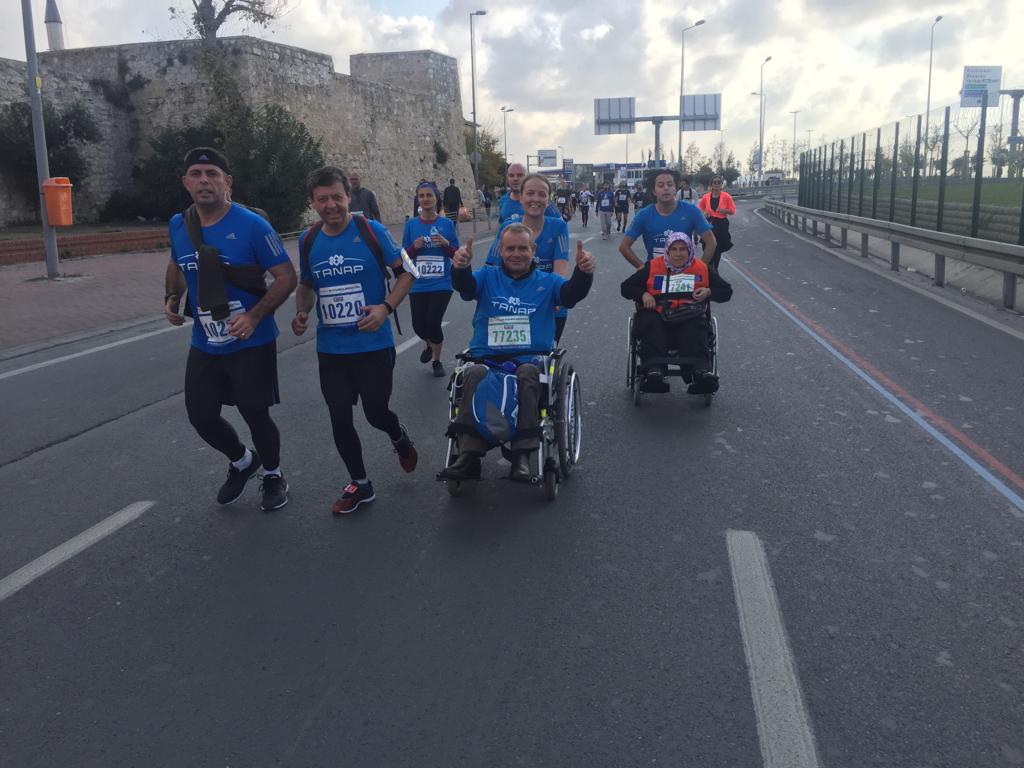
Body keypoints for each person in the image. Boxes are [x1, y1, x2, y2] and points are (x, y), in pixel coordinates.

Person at [163, 147, 297, 511]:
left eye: (212, 173)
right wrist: (171, 296)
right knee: (200, 414)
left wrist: (254, 316)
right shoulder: (180, 224)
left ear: (228, 182)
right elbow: (177, 262)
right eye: (196, 174)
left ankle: (273, 473)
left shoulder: (253, 226)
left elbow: (287, 277)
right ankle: (241, 460)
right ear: (186, 182)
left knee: (255, 412)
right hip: (206, 340)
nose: (204, 180)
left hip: (251, 339)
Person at [292, 166, 419, 514]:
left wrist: (385, 307)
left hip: (373, 345)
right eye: (322, 199)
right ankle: (360, 484)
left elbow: (407, 272)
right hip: (332, 349)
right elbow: (306, 285)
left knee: (376, 413)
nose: (331, 205)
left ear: (349, 197)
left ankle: (398, 435)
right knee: (339, 417)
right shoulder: (309, 240)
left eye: (337, 197)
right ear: (312, 203)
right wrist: (302, 312)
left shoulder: (370, 230)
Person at [439, 224, 595, 482]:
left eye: (523, 248)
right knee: (472, 373)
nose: (517, 253)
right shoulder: (488, 277)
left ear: (533, 250)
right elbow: (466, 289)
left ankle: (522, 455)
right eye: (510, 248)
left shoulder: (549, 281)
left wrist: (583, 273)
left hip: (528, 359)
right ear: (500, 250)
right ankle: (468, 455)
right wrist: (461, 267)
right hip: (486, 357)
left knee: (528, 375)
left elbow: (570, 296)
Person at [620, 231, 731, 394]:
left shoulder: (701, 268)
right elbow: (626, 287)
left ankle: (700, 372)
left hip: (689, 315)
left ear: (690, 250)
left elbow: (726, 291)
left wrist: (708, 291)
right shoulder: (653, 266)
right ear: (667, 251)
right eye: (674, 249)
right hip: (657, 315)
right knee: (650, 322)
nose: (678, 254)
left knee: (697, 326)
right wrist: (643, 294)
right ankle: (654, 371)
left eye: (683, 249)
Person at [486, 173, 572, 342]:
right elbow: (492, 268)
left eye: (542, 194)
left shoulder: (559, 226)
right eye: (530, 193)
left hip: (548, 303)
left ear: (548, 200)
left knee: (542, 362)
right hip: (513, 304)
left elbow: (561, 265)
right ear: (521, 198)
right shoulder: (507, 228)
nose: (536, 198)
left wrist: (557, 294)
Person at [403, 180, 459, 377]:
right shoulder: (411, 225)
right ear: (417, 199)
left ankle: (437, 361)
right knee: (419, 325)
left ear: (437, 199)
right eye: (422, 196)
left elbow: (456, 254)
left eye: (429, 195)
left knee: (433, 322)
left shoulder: (447, 224)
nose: (426, 199)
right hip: (418, 284)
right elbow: (403, 257)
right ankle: (428, 344)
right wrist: (413, 248)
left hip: (441, 283)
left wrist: (445, 243)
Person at [620, 168, 716, 267]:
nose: (666, 188)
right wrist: (642, 268)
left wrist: (701, 267)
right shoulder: (644, 215)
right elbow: (624, 247)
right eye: (660, 185)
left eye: (670, 184)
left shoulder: (691, 211)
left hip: (685, 275)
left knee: (720, 283)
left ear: (675, 188)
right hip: (656, 275)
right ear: (654, 191)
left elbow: (711, 241)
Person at [697, 175, 737, 271]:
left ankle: (715, 268)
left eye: (719, 182)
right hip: (709, 223)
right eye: (715, 182)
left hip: (721, 224)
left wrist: (724, 210)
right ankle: (709, 265)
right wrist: (704, 212)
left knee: (717, 247)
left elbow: (733, 210)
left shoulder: (726, 196)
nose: (717, 184)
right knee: (706, 244)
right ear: (711, 184)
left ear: (721, 184)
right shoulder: (706, 197)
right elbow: (699, 208)